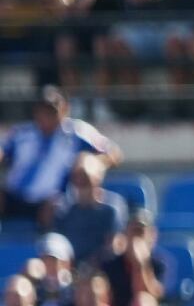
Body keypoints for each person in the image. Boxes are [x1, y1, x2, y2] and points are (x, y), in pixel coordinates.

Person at [0, 86, 120, 226]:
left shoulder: (77, 134)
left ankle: (50, 242)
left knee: (55, 208)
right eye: (43, 111)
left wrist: (89, 164)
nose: (46, 117)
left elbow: (113, 154)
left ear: (64, 109)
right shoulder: (22, 133)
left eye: (52, 111)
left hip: (51, 200)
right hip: (13, 195)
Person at [98, 208, 166, 306]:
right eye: (133, 231)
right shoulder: (110, 264)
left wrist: (140, 265)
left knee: (142, 302)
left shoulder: (158, 264)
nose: (137, 237)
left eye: (141, 232)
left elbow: (153, 294)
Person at [52, 153, 127, 267]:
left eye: (85, 176)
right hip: (71, 271)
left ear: (97, 177)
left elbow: (113, 245)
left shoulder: (111, 209)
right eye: (75, 176)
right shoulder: (65, 212)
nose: (80, 181)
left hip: (101, 271)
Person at [32, 231, 75, 306]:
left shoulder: (76, 292)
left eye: (54, 261)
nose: (49, 265)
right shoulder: (34, 292)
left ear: (67, 263)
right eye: (45, 260)